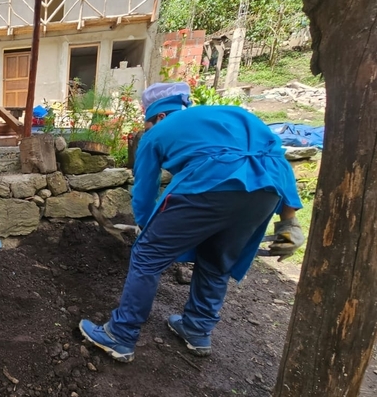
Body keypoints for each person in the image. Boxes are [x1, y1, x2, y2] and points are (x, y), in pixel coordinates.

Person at [79, 82, 304, 363]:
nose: (147, 130)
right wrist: (289, 221)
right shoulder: (236, 115)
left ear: (159, 116)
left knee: (147, 256)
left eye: (146, 124)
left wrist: (146, 225)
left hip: (206, 187)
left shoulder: (158, 131)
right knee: (216, 261)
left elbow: (145, 189)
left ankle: (120, 335)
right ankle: (196, 330)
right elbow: (277, 160)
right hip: (265, 193)